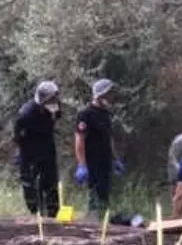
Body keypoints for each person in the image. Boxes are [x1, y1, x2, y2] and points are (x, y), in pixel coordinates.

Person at [74, 79, 124, 216]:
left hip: (105, 162)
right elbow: (80, 140)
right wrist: (82, 165)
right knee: (94, 197)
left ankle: (103, 223)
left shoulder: (106, 114)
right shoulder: (85, 114)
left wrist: (115, 159)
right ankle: (93, 226)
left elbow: (109, 138)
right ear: (99, 95)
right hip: (92, 163)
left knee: (104, 196)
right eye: (108, 94)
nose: (110, 98)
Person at [13, 80, 62, 217]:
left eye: (55, 98)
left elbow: (56, 117)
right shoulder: (26, 114)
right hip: (29, 152)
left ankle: (53, 213)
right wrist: (23, 154)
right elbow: (18, 136)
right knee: (31, 186)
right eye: (51, 98)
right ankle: (36, 214)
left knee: (51, 183)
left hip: (47, 148)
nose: (54, 101)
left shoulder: (55, 106)